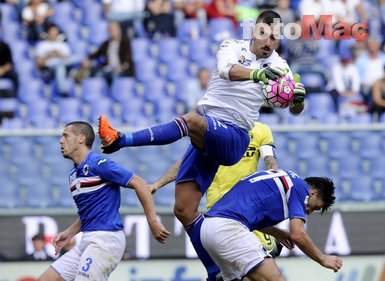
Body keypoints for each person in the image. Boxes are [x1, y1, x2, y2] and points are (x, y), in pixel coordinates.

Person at [98, 10, 306, 280]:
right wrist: (258, 75)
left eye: (275, 38)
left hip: (234, 136)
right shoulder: (231, 46)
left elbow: (292, 107)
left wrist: (298, 101)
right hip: (210, 133)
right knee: (183, 209)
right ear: (254, 31)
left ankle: (121, 139)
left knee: (191, 121)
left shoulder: (281, 65)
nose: (268, 43)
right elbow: (227, 71)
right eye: (264, 35)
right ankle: (215, 273)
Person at [37, 121, 170, 281]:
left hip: (106, 239)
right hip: (87, 239)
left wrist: (152, 220)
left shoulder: (100, 165)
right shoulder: (73, 174)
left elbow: (140, 183)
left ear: (81, 138)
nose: (61, 140)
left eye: (66, 135)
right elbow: (91, 211)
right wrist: (68, 233)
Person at [150, 121, 283, 258]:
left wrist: (275, 178)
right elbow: (187, 162)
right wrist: (159, 183)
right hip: (219, 210)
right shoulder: (215, 130)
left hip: (248, 207)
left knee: (265, 259)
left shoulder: (261, 129)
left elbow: (269, 159)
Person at [201, 169, 343, 281]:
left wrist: (277, 232)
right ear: (313, 193)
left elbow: (252, 217)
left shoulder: (281, 180)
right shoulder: (300, 187)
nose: (310, 212)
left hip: (208, 228)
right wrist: (322, 258)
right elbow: (298, 234)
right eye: (315, 207)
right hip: (228, 228)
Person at [80, 21, 135, 86]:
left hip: (121, 70)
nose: (111, 32)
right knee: (98, 76)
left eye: (113, 30)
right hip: (109, 69)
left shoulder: (125, 43)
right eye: (110, 30)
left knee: (115, 76)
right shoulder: (106, 43)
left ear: (119, 30)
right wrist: (88, 59)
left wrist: (123, 66)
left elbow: (127, 58)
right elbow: (97, 53)